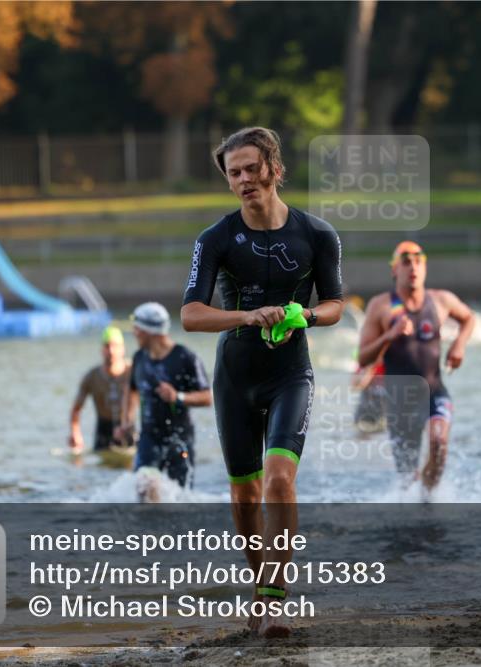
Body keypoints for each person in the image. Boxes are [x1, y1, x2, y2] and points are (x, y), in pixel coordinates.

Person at [180, 127, 344, 637]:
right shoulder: (216, 239)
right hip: (235, 376)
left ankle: (273, 602)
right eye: (235, 173)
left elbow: (337, 304)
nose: (245, 180)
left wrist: (307, 317)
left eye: (253, 168)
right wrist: (248, 317)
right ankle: (260, 593)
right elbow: (190, 315)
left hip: (290, 373)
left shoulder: (318, 235)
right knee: (246, 496)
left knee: (279, 481)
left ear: (273, 167)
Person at [357, 241, 476, 492]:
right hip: (401, 400)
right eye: (406, 262)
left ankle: (430, 498)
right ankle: (418, 506)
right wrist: (388, 336)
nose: (413, 267)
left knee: (439, 441)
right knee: (407, 479)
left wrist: (459, 345)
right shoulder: (381, 306)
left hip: (435, 391)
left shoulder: (441, 300)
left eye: (418, 261)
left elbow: (468, 318)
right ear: (394, 270)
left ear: (425, 268)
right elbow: (363, 358)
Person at [116, 302, 211, 489]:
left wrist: (178, 397)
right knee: (144, 485)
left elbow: (207, 397)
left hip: (180, 441)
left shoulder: (186, 358)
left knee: (179, 500)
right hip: (149, 439)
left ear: (150, 330)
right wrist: (127, 421)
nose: (134, 332)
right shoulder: (139, 358)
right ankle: (149, 519)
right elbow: (132, 390)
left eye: (137, 328)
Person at [68, 326, 131, 454]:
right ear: (102, 349)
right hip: (103, 431)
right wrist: (76, 434)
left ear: (123, 349)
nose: (111, 351)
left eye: (115, 346)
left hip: (128, 429)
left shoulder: (133, 371)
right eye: (107, 346)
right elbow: (76, 409)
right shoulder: (91, 377)